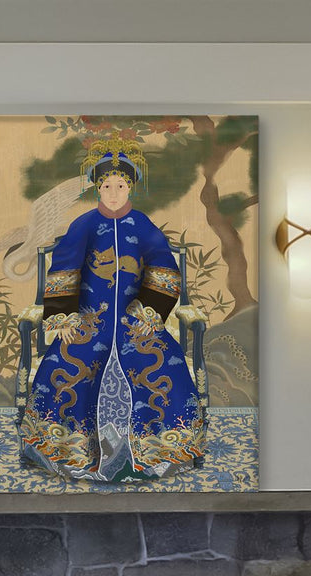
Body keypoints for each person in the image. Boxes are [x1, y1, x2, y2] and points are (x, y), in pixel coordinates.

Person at [20, 136, 205, 481]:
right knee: (68, 364)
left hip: (136, 320)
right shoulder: (84, 225)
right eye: (107, 186)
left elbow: (164, 268)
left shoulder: (143, 225)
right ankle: (73, 451)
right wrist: (63, 315)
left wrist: (151, 311)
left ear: (130, 187)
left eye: (121, 186)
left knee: (164, 364)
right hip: (89, 319)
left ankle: (158, 450)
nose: (114, 193)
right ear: (98, 188)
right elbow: (64, 268)